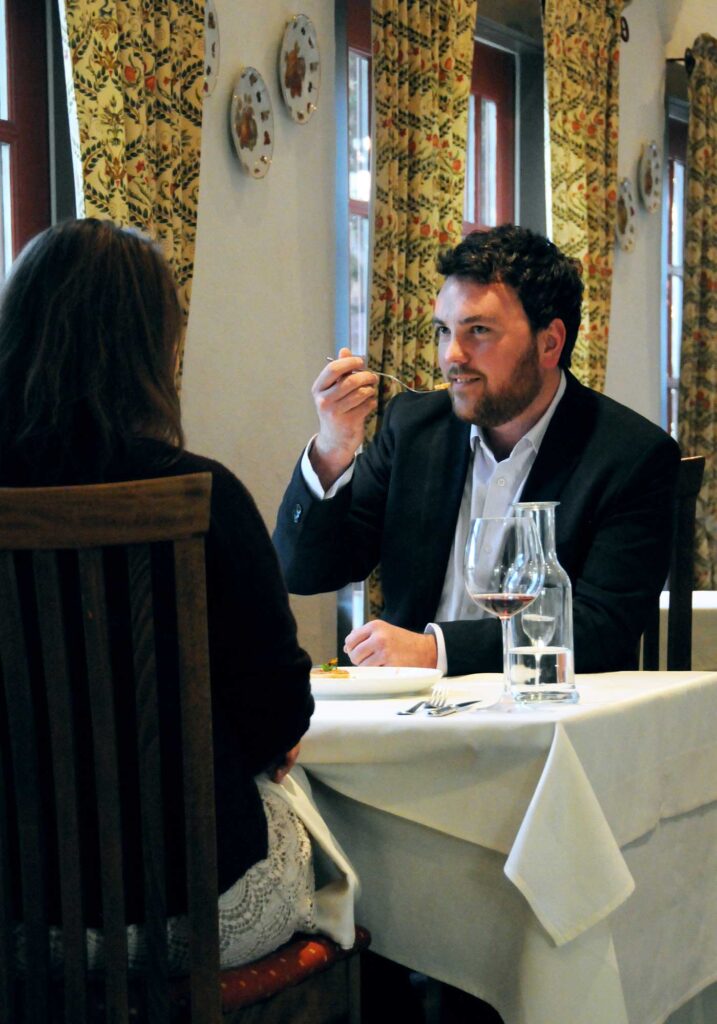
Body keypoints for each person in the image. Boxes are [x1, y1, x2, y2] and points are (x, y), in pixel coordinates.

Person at [0, 218, 354, 972]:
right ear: (153, 349)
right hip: (182, 903)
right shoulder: (201, 495)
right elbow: (278, 706)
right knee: (331, 841)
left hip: (14, 915)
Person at [274, 224, 681, 676]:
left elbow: (601, 630)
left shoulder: (630, 455)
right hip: (411, 713)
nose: (453, 355)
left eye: (479, 331)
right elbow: (307, 572)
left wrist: (436, 651)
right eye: (444, 330)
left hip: (549, 720)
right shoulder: (413, 427)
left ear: (550, 342)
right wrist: (334, 446)